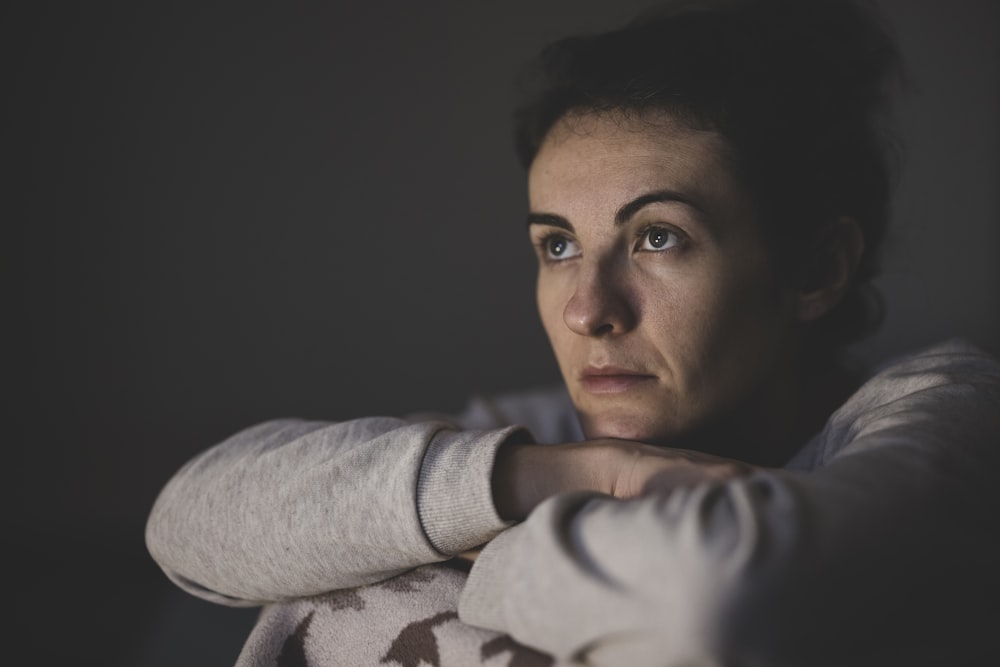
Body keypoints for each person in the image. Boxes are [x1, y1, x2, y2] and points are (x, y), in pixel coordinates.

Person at [145, 1, 1000, 665]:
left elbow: (712, 597)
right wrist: (551, 476)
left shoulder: (947, 414)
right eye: (557, 245)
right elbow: (187, 522)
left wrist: (470, 544)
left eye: (657, 237)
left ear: (815, 270)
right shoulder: (544, 438)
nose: (588, 308)